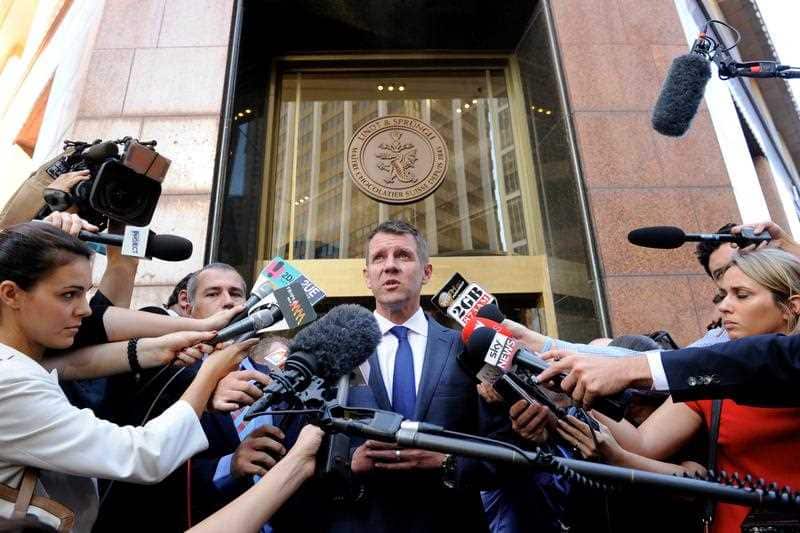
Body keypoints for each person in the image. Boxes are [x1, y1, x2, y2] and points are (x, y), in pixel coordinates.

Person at [0, 222, 254, 532]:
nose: (85, 310)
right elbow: (143, 456)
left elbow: (75, 363)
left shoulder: (20, 364)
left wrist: (162, 347)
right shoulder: (10, 382)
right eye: (68, 295)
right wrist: (210, 372)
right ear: (11, 294)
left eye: (85, 294)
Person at [271, 220, 508, 533]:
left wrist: (447, 461)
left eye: (404, 256)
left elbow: (503, 453)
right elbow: (290, 449)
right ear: (367, 276)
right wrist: (348, 462)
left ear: (426, 272)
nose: (390, 266)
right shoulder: (328, 350)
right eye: (379, 258)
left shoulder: (464, 348)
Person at [554, 248, 800, 533]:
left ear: (792, 306)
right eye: (723, 295)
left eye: (741, 295)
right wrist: (577, 386)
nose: (724, 307)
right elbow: (643, 444)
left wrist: (626, 371)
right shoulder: (709, 379)